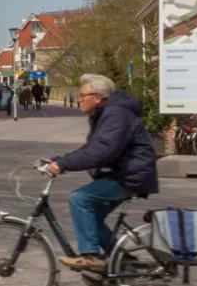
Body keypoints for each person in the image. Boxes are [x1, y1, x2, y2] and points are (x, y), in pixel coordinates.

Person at [45, 73, 159, 273]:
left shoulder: (115, 114)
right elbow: (91, 148)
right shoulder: (105, 114)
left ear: (97, 97)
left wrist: (64, 165)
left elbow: (102, 151)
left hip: (131, 174)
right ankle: (122, 260)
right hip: (122, 172)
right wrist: (60, 160)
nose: (78, 99)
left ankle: (90, 256)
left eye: (82, 95)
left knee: (80, 199)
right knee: (91, 219)